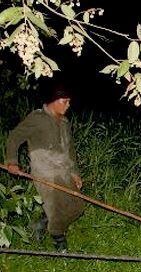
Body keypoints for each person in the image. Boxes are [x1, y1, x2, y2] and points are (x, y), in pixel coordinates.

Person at [4, 84, 84, 252]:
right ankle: (59, 240)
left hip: (64, 171)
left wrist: (75, 173)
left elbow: (70, 150)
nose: (68, 105)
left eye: (69, 102)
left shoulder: (65, 122)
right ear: (53, 101)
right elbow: (14, 137)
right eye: (65, 101)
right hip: (45, 172)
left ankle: (41, 223)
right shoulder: (37, 118)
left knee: (77, 207)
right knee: (57, 209)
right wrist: (12, 161)